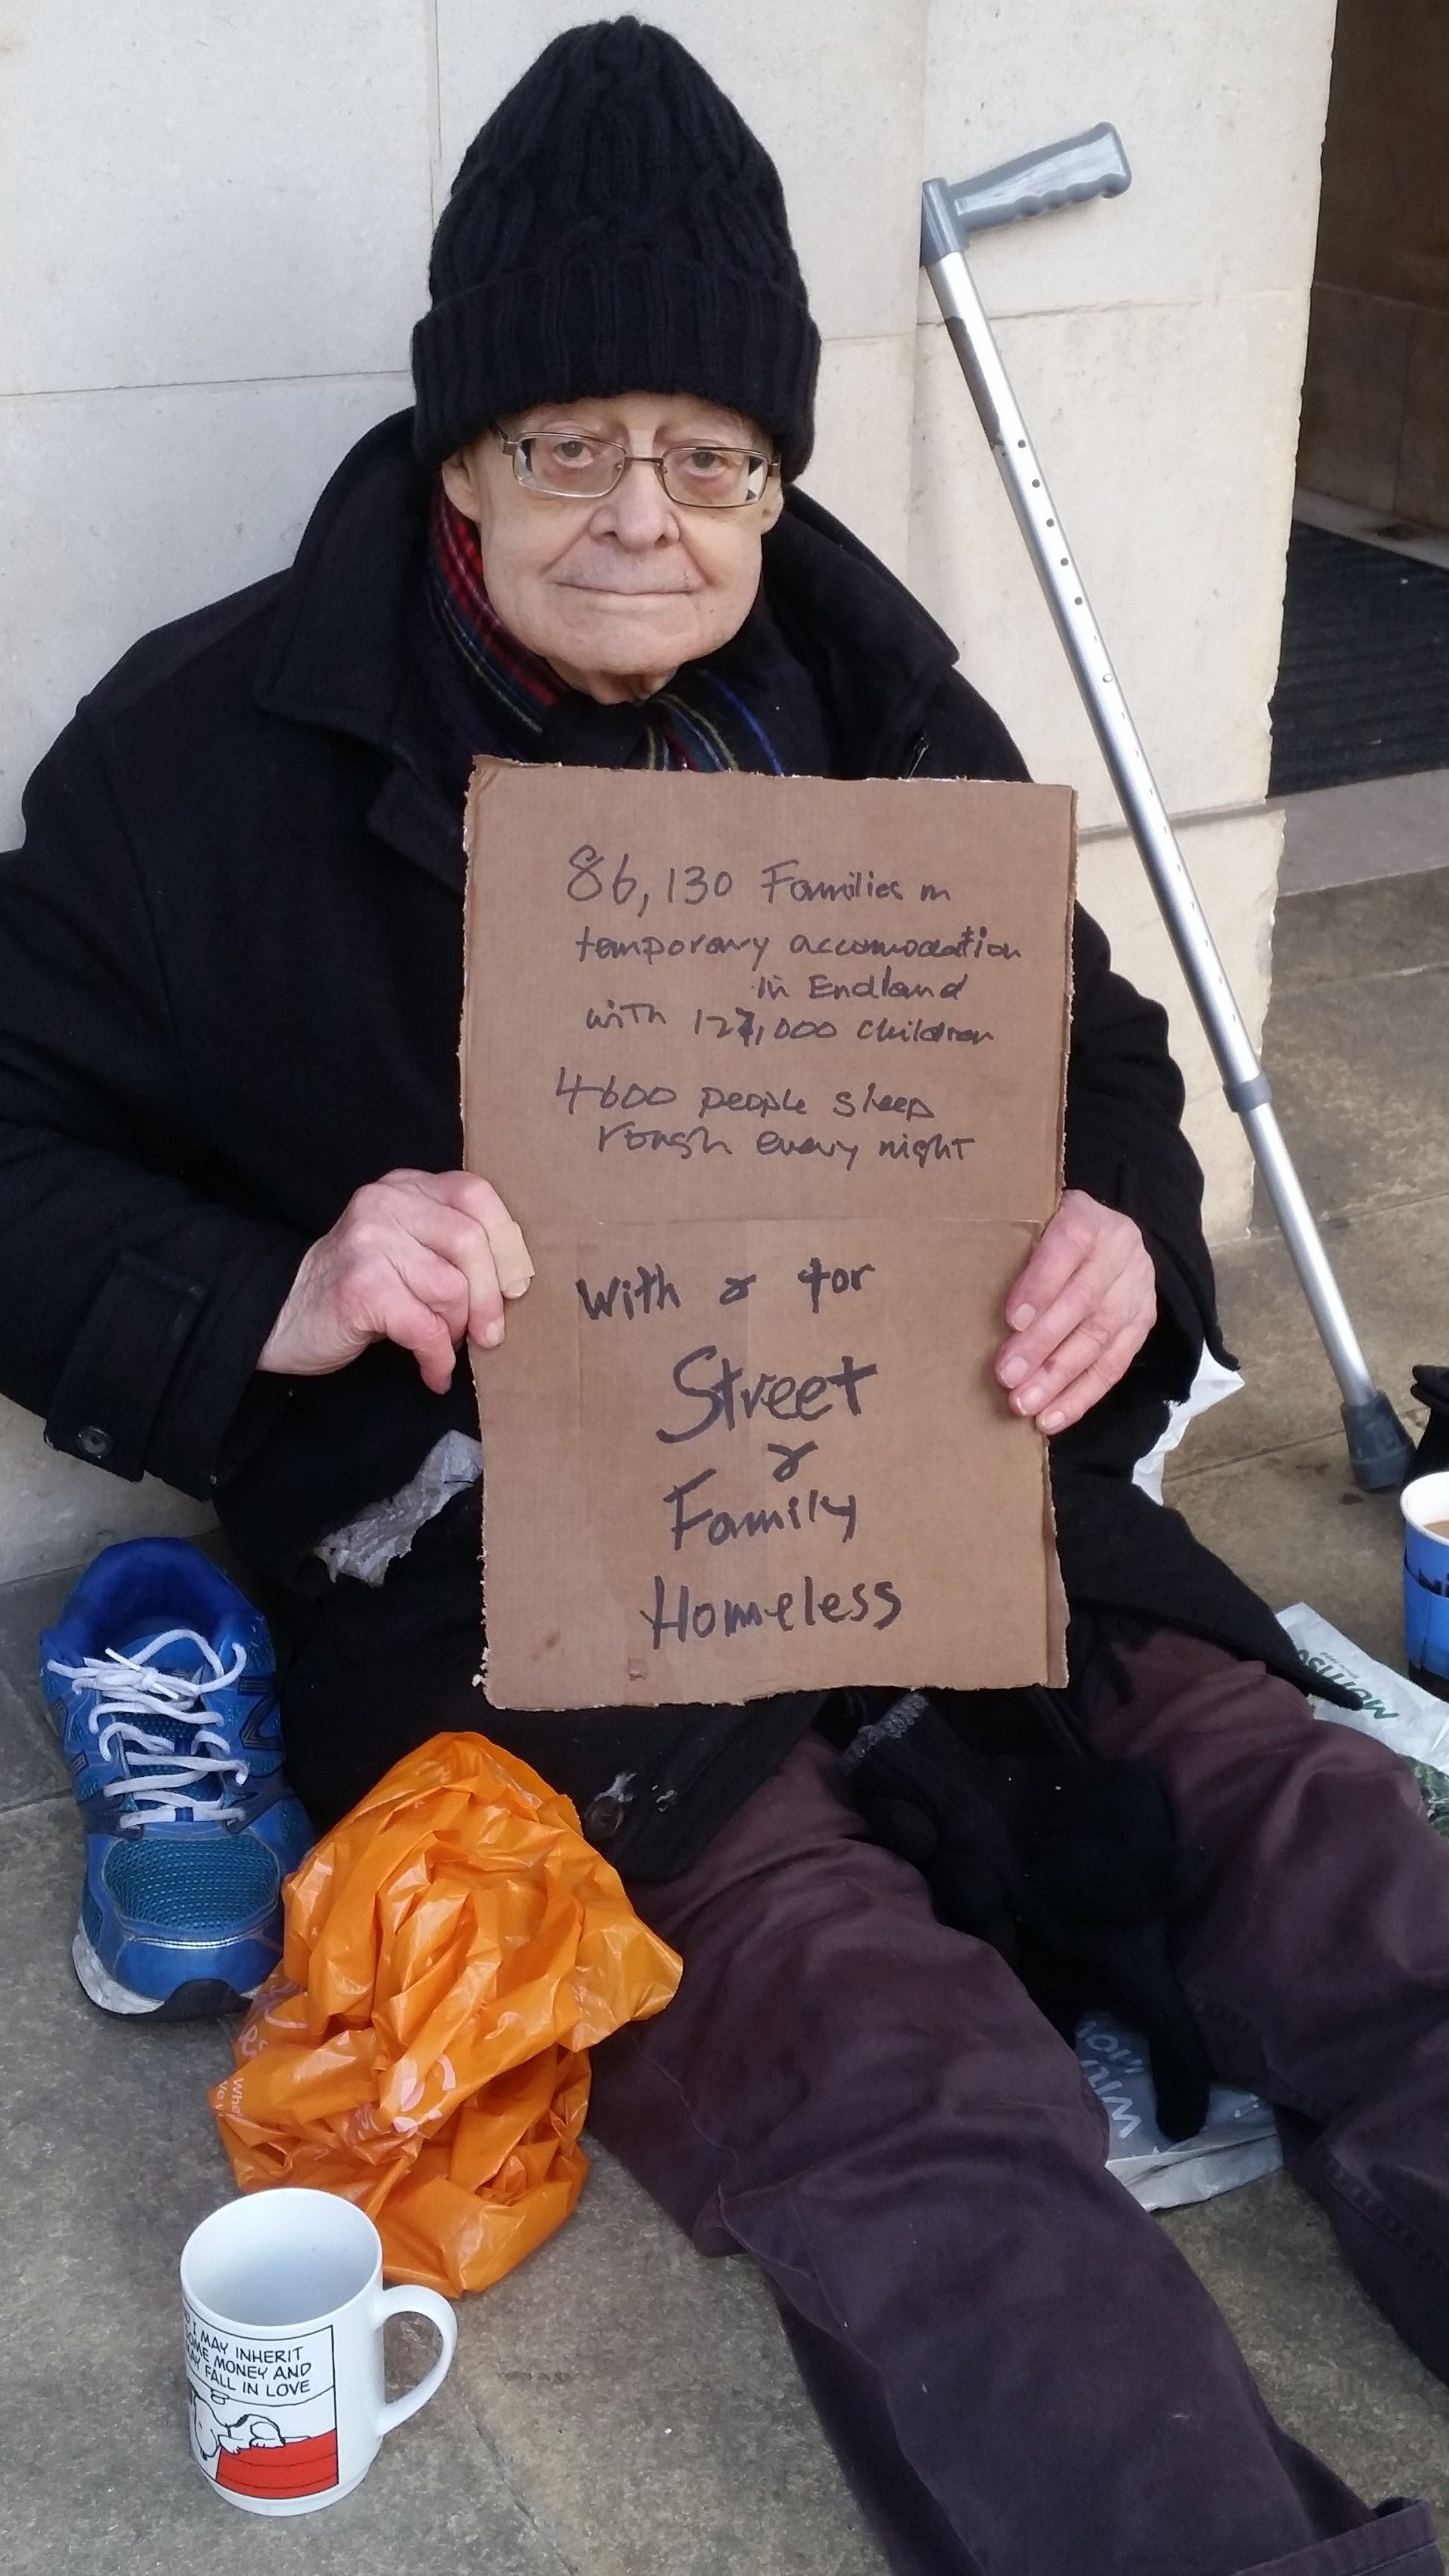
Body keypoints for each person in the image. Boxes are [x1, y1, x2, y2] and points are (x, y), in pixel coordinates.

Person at [2, 19, 1448, 2573]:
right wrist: (282, 1288)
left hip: (960, 1514)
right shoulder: (189, 761)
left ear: (778, 470)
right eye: (570, 444)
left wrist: (1117, 1219)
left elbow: (1098, 1052)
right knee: (894, 2097)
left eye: (713, 453)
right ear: (459, 455)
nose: (646, 519)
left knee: (1341, 1862)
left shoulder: (881, 709)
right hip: (523, 1593)